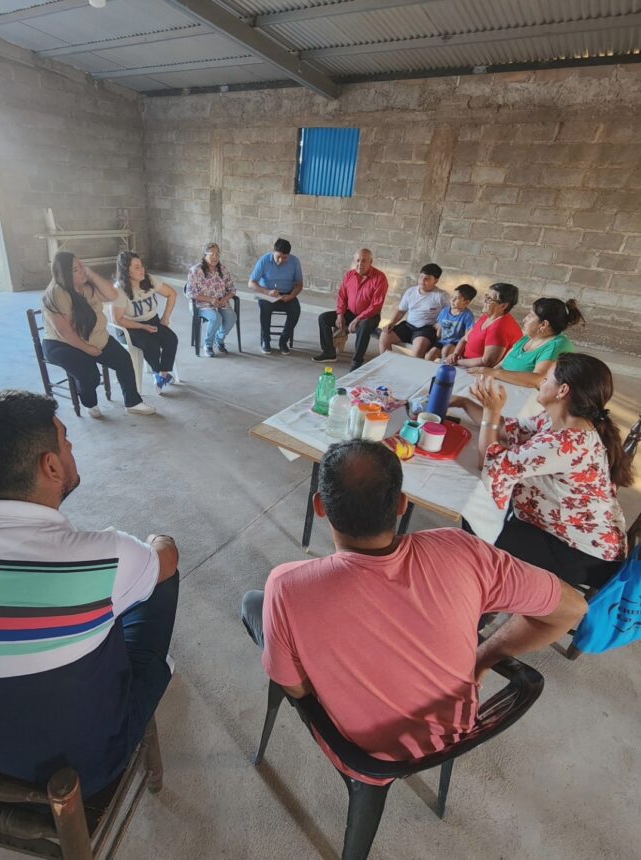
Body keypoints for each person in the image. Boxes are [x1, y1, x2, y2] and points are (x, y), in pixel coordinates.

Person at [240, 440, 586, 786]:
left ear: (320, 506)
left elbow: (297, 690)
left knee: (254, 604)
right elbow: (572, 608)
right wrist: (486, 655)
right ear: (403, 504)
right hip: (454, 730)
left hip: (364, 755)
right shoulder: (462, 549)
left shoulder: (287, 586)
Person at [0, 390, 179, 797]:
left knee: (98, 607)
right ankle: (155, 669)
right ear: (51, 465)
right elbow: (168, 559)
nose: (72, 448)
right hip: (80, 775)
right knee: (158, 582)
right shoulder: (104, 554)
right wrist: (156, 539)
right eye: (66, 440)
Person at [458, 354, 631, 589]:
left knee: (478, 529)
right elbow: (508, 430)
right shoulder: (559, 421)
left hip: (582, 552)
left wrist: (491, 411)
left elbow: (491, 466)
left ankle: (484, 603)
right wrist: (460, 402)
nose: (541, 382)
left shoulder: (565, 443)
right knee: (481, 515)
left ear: (563, 391)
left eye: (547, 379)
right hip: (571, 530)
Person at [42, 251, 155, 417]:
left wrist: (91, 275)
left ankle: (133, 402)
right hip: (64, 344)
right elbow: (64, 331)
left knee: (123, 360)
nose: (82, 270)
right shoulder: (57, 293)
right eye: (76, 269)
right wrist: (87, 349)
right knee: (91, 376)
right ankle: (89, 403)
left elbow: (113, 295)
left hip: (96, 338)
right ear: (64, 274)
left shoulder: (87, 287)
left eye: (81, 265)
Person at [471, 298, 583, 389]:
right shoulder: (527, 338)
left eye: (530, 316)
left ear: (544, 324)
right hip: (504, 390)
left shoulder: (557, 345)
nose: (524, 319)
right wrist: (486, 376)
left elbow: (537, 379)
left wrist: (493, 373)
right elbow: (501, 365)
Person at [112, 251, 179, 393]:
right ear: (126, 270)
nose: (142, 270)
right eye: (136, 267)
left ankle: (162, 375)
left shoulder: (149, 279)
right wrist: (142, 326)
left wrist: (165, 318)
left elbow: (172, 293)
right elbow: (118, 320)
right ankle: (157, 373)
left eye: (141, 266)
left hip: (152, 321)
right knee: (151, 344)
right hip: (129, 327)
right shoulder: (120, 289)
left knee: (171, 339)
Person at [312, 249, 389, 370]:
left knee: (364, 326)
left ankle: (356, 363)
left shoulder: (380, 278)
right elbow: (342, 296)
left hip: (370, 316)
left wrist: (358, 319)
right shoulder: (350, 275)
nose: (360, 264)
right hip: (351, 312)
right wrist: (340, 314)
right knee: (323, 318)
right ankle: (329, 353)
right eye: (358, 260)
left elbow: (376, 305)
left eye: (364, 261)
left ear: (371, 261)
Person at [445, 282, 522, 370]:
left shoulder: (500, 328)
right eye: (486, 296)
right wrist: (455, 354)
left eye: (489, 299)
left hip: (477, 370)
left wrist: (457, 362)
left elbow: (487, 362)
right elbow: (464, 339)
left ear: (503, 305)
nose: (484, 300)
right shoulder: (488, 315)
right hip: (464, 362)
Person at [378, 263, 448, 358]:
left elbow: (450, 313)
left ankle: (413, 371)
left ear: (436, 280)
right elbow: (401, 310)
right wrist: (392, 322)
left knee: (419, 347)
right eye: (421, 277)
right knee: (384, 336)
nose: (422, 281)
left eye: (427, 278)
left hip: (426, 329)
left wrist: (440, 323)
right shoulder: (411, 291)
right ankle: (387, 365)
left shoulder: (441, 296)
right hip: (408, 325)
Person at [248, 238, 303, 356]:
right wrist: (267, 292)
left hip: (287, 294)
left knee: (295, 310)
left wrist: (291, 295)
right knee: (265, 309)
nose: (280, 260)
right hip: (267, 294)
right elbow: (251, 282)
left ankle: (283, 341)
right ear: (273, 251)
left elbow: (299, 284)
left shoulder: (294, 262)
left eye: (284, 258)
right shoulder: (264, 260)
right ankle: (266, 341)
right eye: (278, 256)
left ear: (289, 255)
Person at [186, 242, 237, 357]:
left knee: (232, 317)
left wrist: (225, 299)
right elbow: (190, 292)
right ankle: (208, 345)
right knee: (216, 317)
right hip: (201, 304)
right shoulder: (196, 270)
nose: (215, 257)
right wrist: (209, 299)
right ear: (205, 255)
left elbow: (232, 289)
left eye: (217, 254)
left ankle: (219, 339)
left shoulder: (223, 269)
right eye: (212, 254)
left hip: (220, 302)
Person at [425, 283, 477, 361]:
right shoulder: (445, 310)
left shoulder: (468, 316)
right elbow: (439, 330)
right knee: (430, 355)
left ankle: (443, 370)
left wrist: (460, 351)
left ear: (466, 302)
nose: (452, 300)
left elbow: (466, 337)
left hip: (455, 343)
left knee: (446, 351)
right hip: (443, 341)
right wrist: (437, 337)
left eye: (457, 298)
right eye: (452, 297)